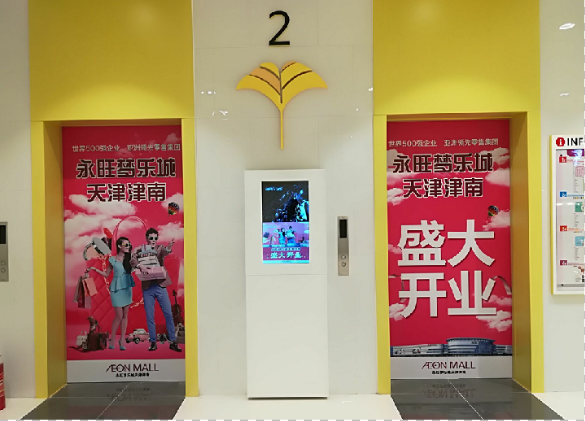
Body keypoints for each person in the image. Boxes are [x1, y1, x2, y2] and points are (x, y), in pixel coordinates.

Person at [131, 228, 182, 352]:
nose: (153, 240)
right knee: (150, 316)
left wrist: (169, 247)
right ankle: (153, 342)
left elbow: (165, 252)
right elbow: (132, 259)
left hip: (160, 286)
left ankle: (173, 342)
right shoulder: (140, 249)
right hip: (147, 287)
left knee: (168, 314)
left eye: (155, 238)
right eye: (151, 238)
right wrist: (140, 265)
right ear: (147, 238)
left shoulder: (159, 249)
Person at [87, 237, 135, 351]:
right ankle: (112, 339)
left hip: (127, 288)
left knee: (125, 315)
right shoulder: (112, 259)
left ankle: (122, 340)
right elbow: (106, 274)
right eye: (125, 244)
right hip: (116, 289)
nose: (128, 246)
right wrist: (94, 269)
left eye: (129, 244)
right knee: (119, 315)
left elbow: (136, 268)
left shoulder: (130, 258)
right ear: (119, 246)